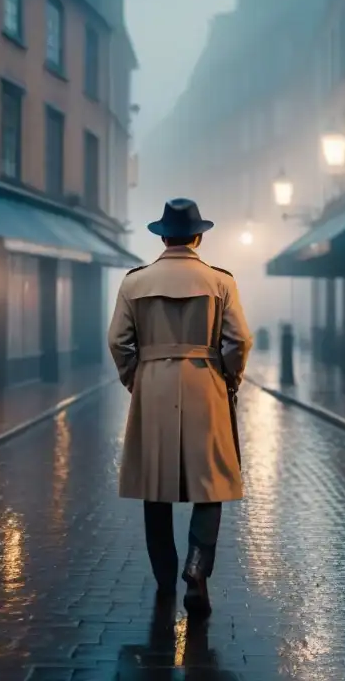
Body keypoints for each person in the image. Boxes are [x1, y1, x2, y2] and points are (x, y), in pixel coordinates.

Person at [108, 198, 253, 620]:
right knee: (213, 481)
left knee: (156, 485)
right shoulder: (220, 281)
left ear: (162, 236)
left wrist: (137, 377)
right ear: (198, 236)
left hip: (152, 383)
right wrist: (229, 378)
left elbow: (119, 341)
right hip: (205, 380)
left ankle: (165, 576)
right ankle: (196, 565)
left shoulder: (135, 282)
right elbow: (238, 340)